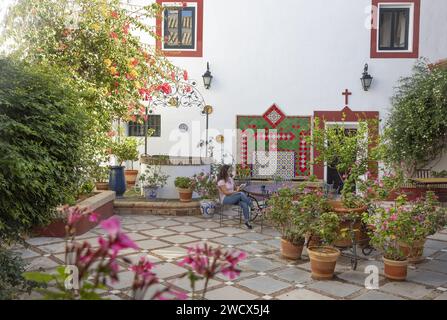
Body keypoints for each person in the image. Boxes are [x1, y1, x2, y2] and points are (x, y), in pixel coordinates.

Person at [217, 165, 253, 229]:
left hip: (233, 197)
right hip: (225, 199)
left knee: (244, 204)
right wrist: (235, 192)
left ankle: (247, 222)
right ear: (225, 171)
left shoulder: (230, 179)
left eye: (231, 171)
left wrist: (239, 187)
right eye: (229, 171)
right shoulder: (221, 181)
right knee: (241, 194)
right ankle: (252, 206)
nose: (230, 172)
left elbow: (235, 188)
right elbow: (226, 193)